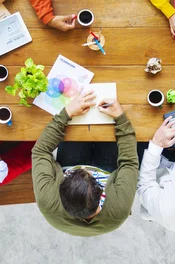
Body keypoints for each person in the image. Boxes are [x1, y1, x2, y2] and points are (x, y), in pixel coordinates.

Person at [31, 91, 138, 237]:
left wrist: (66, 113)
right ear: (102, 195)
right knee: (111, 128)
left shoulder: (47, 200)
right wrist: (120, 118)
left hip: (70, 162)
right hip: (107, 170)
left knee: (78, 123)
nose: (83, 167)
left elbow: (40, 152)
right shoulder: (119, 209)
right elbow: (129, 163)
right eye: (87, 173)